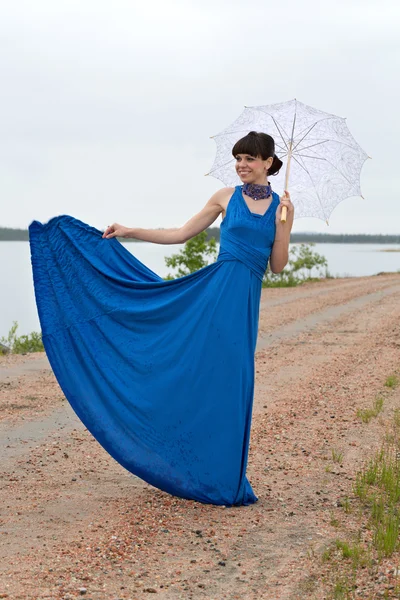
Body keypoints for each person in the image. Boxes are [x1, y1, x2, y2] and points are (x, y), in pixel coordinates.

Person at [28, 131, 294, 507]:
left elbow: (278, 266)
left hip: (243, 305)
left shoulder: (283, 209)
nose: (242, 165)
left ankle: (223, 479)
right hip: (212, 297)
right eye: (238, 158)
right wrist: (130, 231)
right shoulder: (224, 197)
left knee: (232, 385)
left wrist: (283, 225)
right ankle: (186, 464)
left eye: (250, 159)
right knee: (193, 375)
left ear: (268, 162)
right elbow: (181, 234)